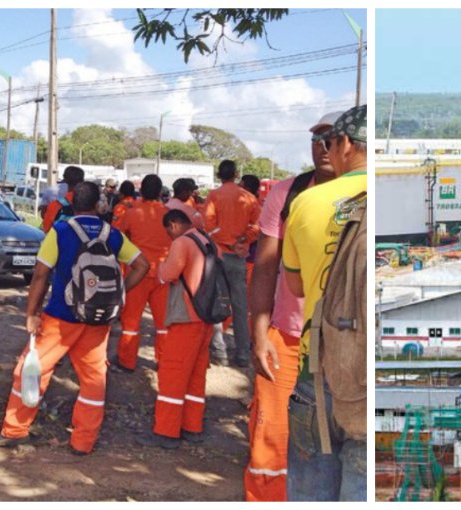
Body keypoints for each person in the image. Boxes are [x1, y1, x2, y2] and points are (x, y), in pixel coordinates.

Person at [0, 181, 149, 455]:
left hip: (61, 317)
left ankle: (15, 431)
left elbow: (40, 273)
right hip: (98, 319)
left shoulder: (61, 231)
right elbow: (143, 265)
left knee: (31, 370)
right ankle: (83, 442)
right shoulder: (113, 233)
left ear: (72, 201)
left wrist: (31, 313)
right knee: (94, 380)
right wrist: (117, 293)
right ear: (100, 204)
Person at [243, 111, 342, 501]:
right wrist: (259, 332)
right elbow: (265, 268)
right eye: (316, 139)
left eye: (332, 139)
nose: (322, 147)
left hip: (342, 344)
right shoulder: (287, 194)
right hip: (285, 337)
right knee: (270, 433)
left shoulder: (363, 195)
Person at [281, 104, 368, 501]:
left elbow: (296, 286)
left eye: (328, 142)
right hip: (367, 381)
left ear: (345, 144)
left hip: (317, 369)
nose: (325, 150)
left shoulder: (307, 201)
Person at [136, 209, 215, 449]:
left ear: (173, 225)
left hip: (186, 317)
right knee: (196, 373)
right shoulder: (207, 240)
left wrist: (160, 267)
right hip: (206, 317)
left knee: (173, 374)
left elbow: (168, 274)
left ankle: (166, 432)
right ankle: (193, 426)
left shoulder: (182, 242)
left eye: (167, 232)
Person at [112, 175, 172, 372]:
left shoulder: (132, 213)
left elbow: (118, 237)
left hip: (137, 273)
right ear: (159, 193)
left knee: (131, 321)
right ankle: (164, 362)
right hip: (164, 274)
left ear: (142, 192)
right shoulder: (169, 215)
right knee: (163, 324)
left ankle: (126, 362)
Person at [204, 160, 261, 367]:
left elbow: (208, 226)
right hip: (239, 256)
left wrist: (224, 238)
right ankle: (243, 354)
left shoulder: (214, 196)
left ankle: (219, 352)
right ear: (236, 174)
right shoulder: (249, 198)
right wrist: (243, 239)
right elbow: (257, 225)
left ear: (220, 174)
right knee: (240, 305)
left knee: (218, 302)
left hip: (219, 256)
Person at [41, 166, 85, 233]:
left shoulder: (55, 205)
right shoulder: (90, 203)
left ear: (65, 179)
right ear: (82, 181)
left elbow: (46, 229)